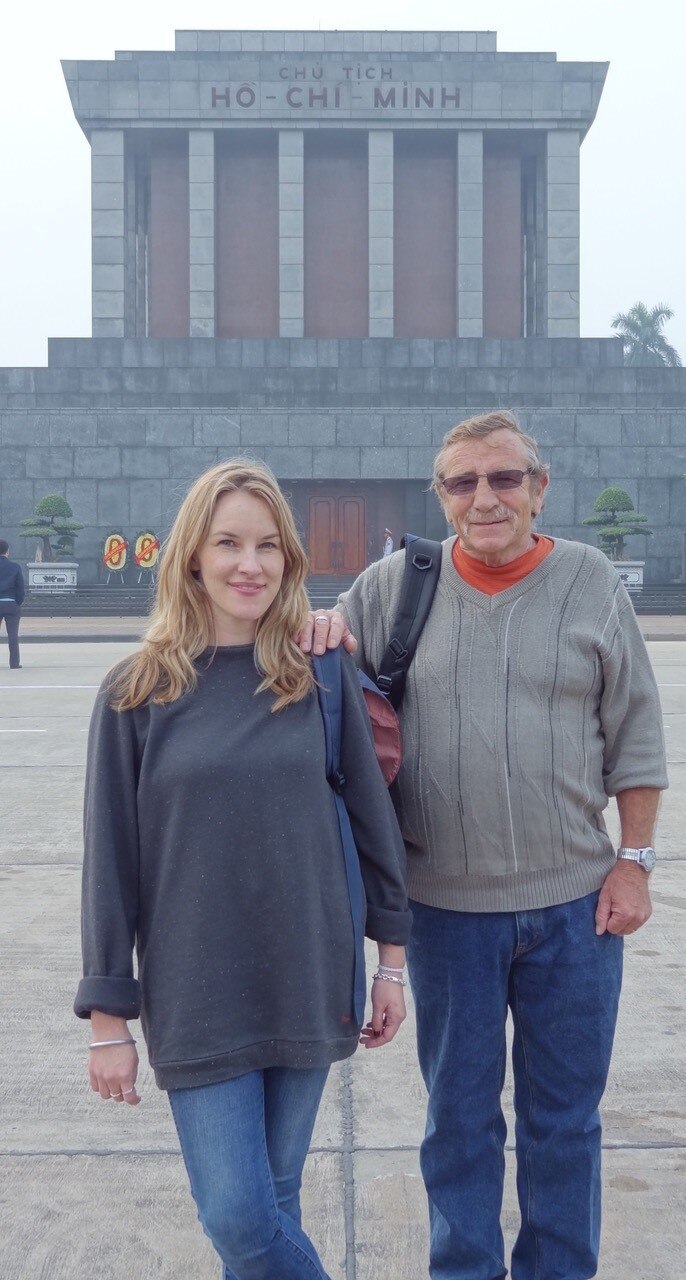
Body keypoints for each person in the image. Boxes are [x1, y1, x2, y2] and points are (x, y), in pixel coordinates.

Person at [303, 411, 668, 1280]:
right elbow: (325, 677)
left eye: (504, 478)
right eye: (463, 483)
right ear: (441, 497)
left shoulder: (588, 582)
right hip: (446, 915)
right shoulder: (396, 585)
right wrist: (312, 630)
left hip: (576, 913)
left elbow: (637, 736)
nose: (485, 497)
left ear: (539, 489)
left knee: (565, 1122)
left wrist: (636, 862)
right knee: (460, 1120)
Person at [74, 459, 411, 1280]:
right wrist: (108, 1019)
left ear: (291, 561)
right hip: (196, 989)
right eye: (227, 542)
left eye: (268, 546)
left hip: (308, 970)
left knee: (274, 1202)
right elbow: (110, 862)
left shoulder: (321, 672)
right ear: (192, 555)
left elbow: (373, 821)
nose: (249, 563)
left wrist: (391, 965)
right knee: (237, 1213)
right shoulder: (136, 691)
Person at [0, 539, 25, 669]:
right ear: (7, 551)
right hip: (10, 603)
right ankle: (14, 663)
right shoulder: (15, 567)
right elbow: (20, 589)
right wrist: (17, 603)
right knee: (13, 634)